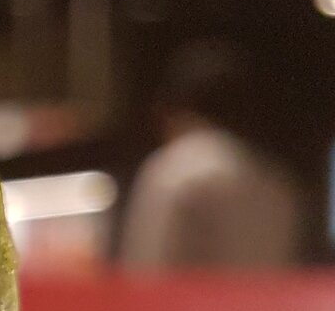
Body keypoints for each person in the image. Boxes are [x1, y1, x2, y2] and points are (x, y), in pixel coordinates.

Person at [121, 41, 303, 270]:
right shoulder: (277, 182)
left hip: (185, 296)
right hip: (262, 296)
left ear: (170, 110)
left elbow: (146, 272)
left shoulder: (172, 171)